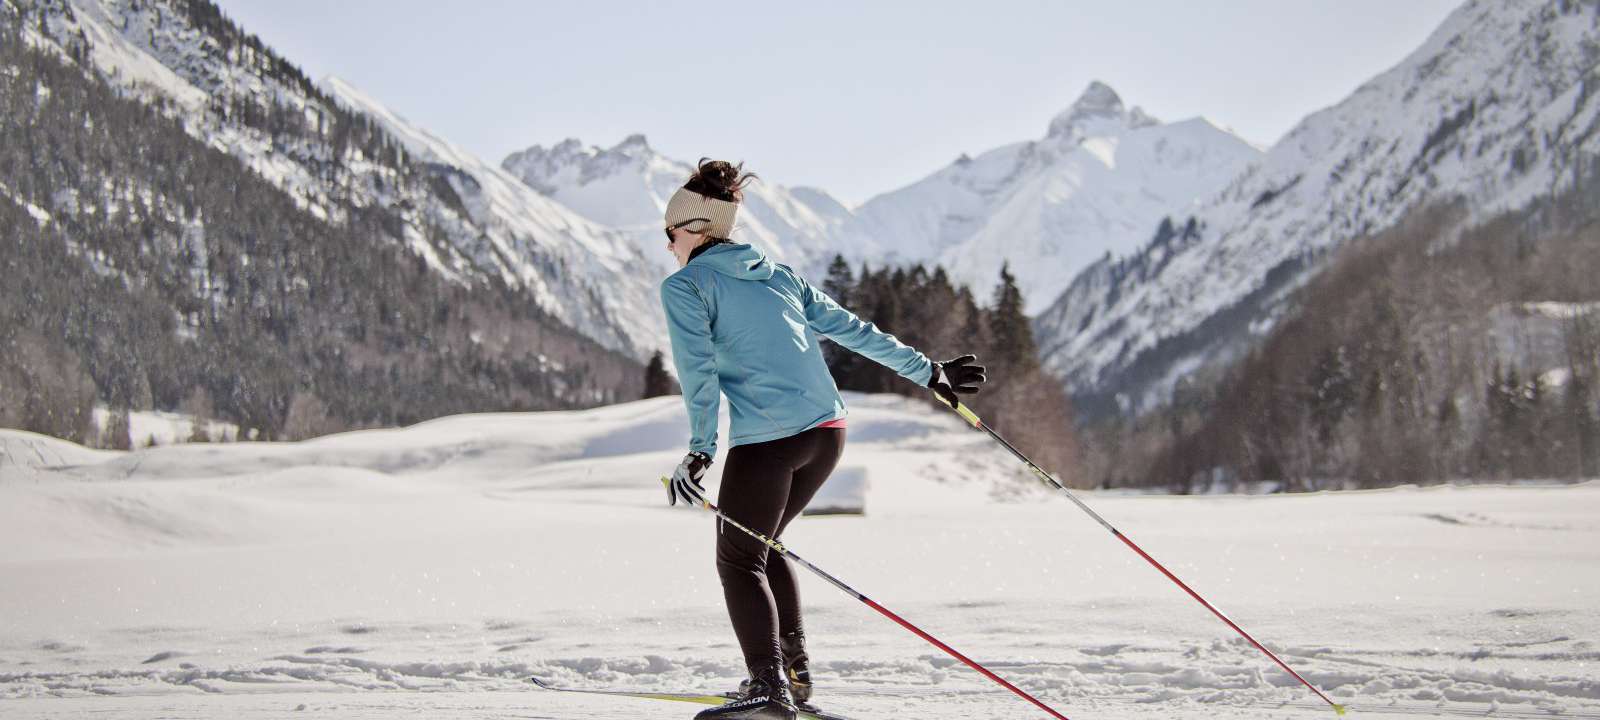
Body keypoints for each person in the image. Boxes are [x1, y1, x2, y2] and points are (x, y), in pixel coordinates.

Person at [659, 159, 986, 719]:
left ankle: (768, 690)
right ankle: (792, 673)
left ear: (693, 230)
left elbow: (698, 372)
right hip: (828, 434)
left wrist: (700, 449)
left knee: (739, 560)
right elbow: (852, 329)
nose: (667, 246)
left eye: (670, 234)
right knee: (764, 546)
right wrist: (929, 371)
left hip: (770, 441)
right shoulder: (778, 275)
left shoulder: (687, 286)